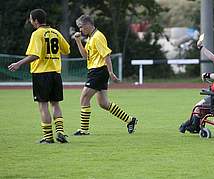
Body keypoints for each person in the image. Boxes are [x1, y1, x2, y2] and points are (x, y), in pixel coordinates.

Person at [8, 9, 70, 144]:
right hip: (55, 73)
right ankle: (60, 132)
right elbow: (66, 49)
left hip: (41, 74)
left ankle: (48, 138)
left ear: (36, 20)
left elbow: (35, 55)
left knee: (43, 105)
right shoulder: (55, 32)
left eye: (31, 19)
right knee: (55, 104)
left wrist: (18, 64)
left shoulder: (37, 34)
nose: (30, 21)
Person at [72, 15, 138, 135]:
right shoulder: (91, 38)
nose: (80, 30)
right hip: (95, 71)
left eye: (81, 27)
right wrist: (78, 41)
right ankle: (130, 120)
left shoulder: (98, 37)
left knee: (84, 97)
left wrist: (110, 72)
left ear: (88, 24)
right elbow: (85, 56)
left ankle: (84, 130)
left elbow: (106, 55)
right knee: (103, 103)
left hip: (99, 70)